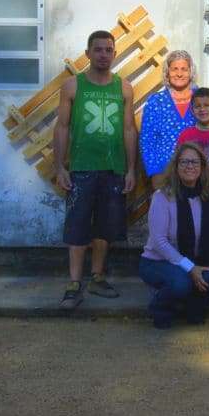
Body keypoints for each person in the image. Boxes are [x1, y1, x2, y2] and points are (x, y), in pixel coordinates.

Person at [54, 30, 137, 309]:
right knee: (78, 224)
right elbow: (62, 127)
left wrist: (131, 169)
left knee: (106, 226)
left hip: (113, 169)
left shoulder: (123, 87)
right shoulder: (72, 86)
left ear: (114, 54)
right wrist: (60, 166)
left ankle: (97, 277)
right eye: (98, 49)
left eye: (108, 50)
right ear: (88, 53)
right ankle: (74, 283)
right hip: (81, 168)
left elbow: (128, 128)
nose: (103, 54)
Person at [138, 142, 209, 329]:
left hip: (194, 257)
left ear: (202, 166)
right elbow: (159, 241)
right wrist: (190, 267)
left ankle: (191, 308)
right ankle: (159, 306)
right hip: (157, 262)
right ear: (176, 167)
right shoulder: (162, 196)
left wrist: (196, 265)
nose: (189, 166)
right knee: (181, 282)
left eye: (194, 162)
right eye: (184, 162)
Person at [139, 50, 198, 190]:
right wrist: (154, 170)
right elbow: (147, 140)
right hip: (163, 171)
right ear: (167, 72)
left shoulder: (202, 99)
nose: (179, 73)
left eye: (184, 69)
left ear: (191, 72)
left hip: (196, 171)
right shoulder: (156, 102)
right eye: (174, 69)